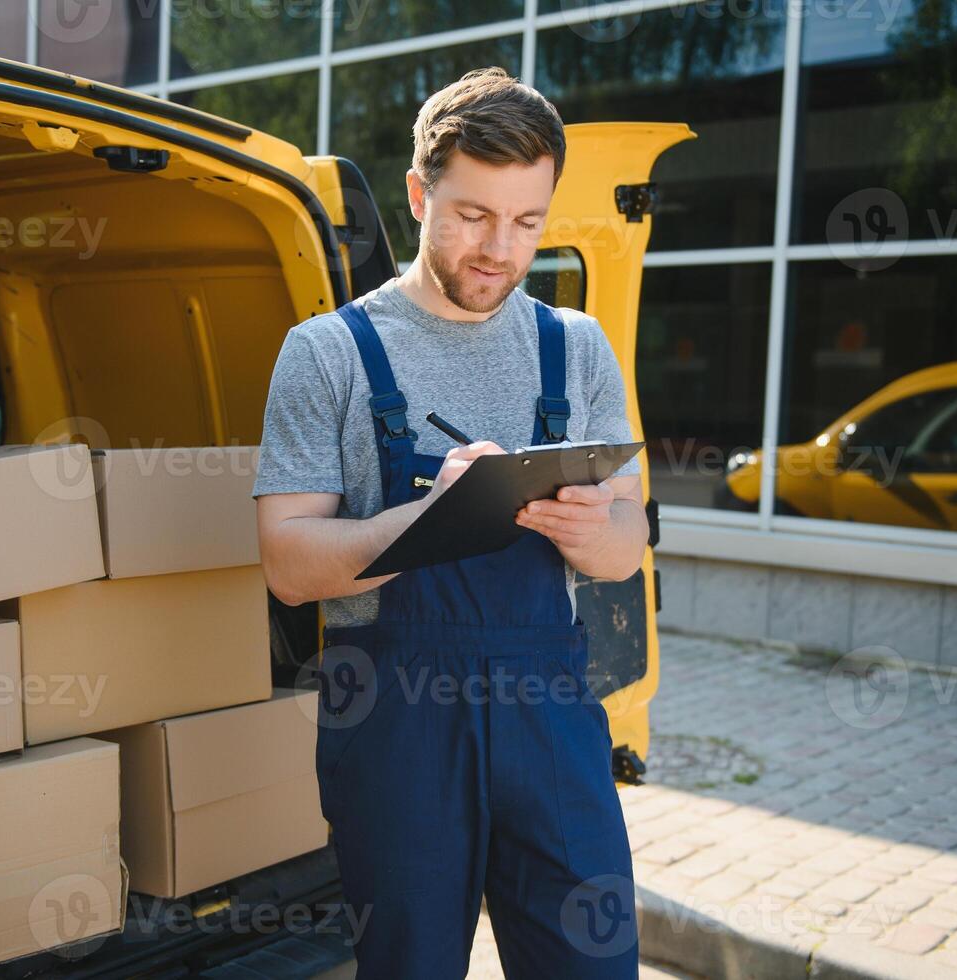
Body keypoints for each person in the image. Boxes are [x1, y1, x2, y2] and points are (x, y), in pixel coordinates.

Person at [252, 66, 648, 979]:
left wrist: (596, 533)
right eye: (472, 216)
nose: (499, 250)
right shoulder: (327, 355)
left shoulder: (575, 346)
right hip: (396, 727)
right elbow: (286, 561)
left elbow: (626, 547)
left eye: (527, 222)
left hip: (550, 718)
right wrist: (429, 518)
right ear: (419, 192)